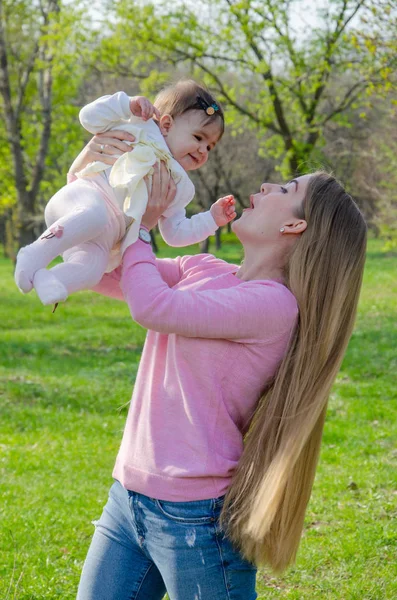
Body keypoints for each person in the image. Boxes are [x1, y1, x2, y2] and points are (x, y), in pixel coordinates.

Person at [70, 140, 367, 599]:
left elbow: (152, 306)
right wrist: (92, 178)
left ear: (295, 224)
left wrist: (145, 224)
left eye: (285, 188)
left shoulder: (272, 307)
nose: (266, 184)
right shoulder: (204, 267)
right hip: (127, 497)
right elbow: (99, 270)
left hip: (195, 521)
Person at [14, 80, 236, 307]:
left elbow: (175, 233)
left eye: (210, 146)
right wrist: (125, 104)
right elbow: (88, 118)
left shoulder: (180, 187)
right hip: (81, 198)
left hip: (104, 238)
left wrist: (211, 219)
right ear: (167, 125)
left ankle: (52, 279)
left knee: (93, 269)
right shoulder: (141, 126)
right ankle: (32, 254)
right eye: (199, 138)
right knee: (95, 214)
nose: (202, 150)